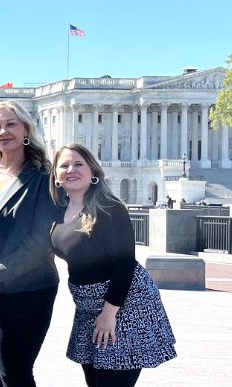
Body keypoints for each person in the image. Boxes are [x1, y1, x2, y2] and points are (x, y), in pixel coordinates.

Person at [50, 144, 176, 386]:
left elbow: (125, 263)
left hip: (123, 305)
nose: (71, 170)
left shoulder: (110, 207)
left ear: (93, 171)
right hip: (87, 309)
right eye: (64, 165)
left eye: (78, 164)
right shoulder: (55, 213)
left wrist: (109, 314)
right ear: (56, 175)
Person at [0, 101, 61, 387]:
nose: (3, 131)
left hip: (29, 288)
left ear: (26, 130)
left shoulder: (44, 178)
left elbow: (41, 240)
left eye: (11, 124)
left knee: (13, 370)